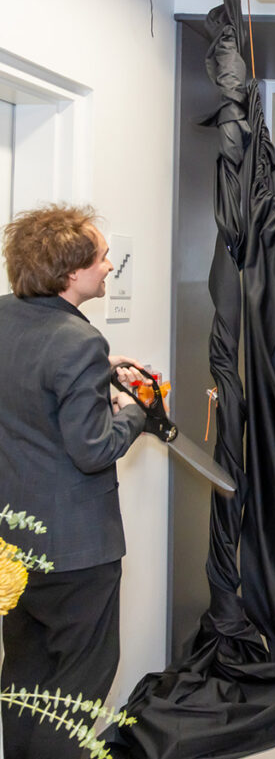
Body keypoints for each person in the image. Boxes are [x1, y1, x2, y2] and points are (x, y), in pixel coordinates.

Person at [0, 204, 148, 758]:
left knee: (23, 681)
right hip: (76, 552)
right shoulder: (78, 342)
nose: (110, 266)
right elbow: (95, 449)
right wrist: (139, 407)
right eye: (102, 257)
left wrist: (99, 378)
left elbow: (28, 394)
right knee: (74, 694)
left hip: (13, 544)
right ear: (71, 273)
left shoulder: (5, 318)